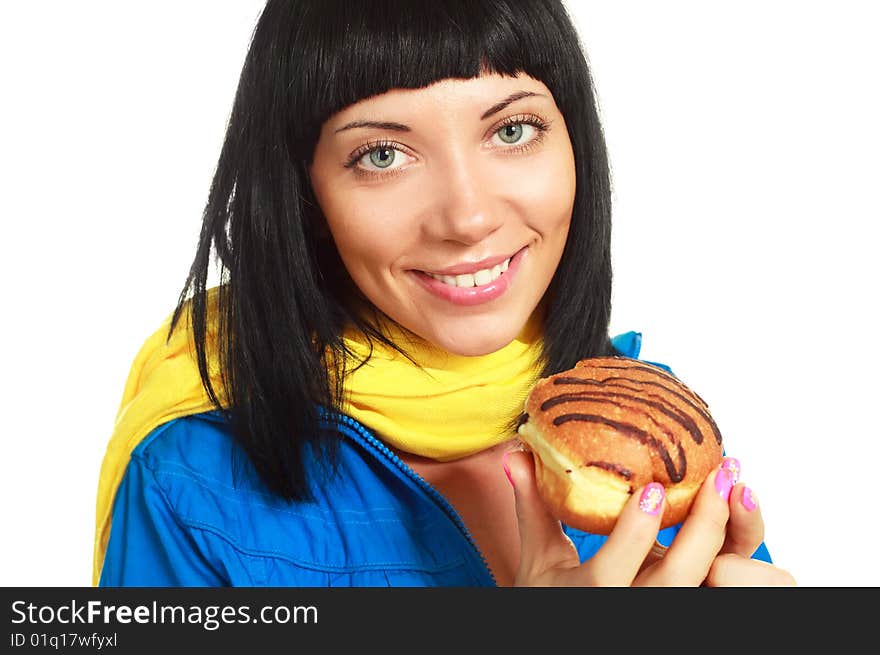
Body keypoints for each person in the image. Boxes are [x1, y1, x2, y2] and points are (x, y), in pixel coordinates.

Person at [93, 0, 795, 587]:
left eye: (512, 130)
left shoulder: (654, 437)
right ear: (305, 195)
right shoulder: (188, 483)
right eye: (382, 154)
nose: (468, 218)